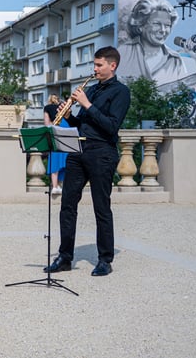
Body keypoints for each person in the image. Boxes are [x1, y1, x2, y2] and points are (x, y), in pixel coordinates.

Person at [45, 46, 131, 277]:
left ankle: (105, 259)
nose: (95, 69)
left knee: (101, 207)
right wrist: (68, 112)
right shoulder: (91, 90)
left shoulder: (121, 92)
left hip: (102, 152)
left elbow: (111, 125)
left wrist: (86, 104)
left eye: (99, 65)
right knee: (67, 205)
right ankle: (65, 256)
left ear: (112, 66)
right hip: (78, 150)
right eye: (94, 64)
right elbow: (80, 124)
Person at [117, 0, 188, 87]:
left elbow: (184, 92)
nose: (163, 30)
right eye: (157, 24)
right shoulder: (123, 52)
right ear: (140, 26)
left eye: (167, 25)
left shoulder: (175, 60)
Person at [43, 94, 68, 195]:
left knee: (55, 157)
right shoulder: (62, 106)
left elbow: (47, 124)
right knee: (67, 157)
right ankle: (65, 185)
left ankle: (55, 187)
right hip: (66, 128)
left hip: (56, 128)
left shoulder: (47, 108)